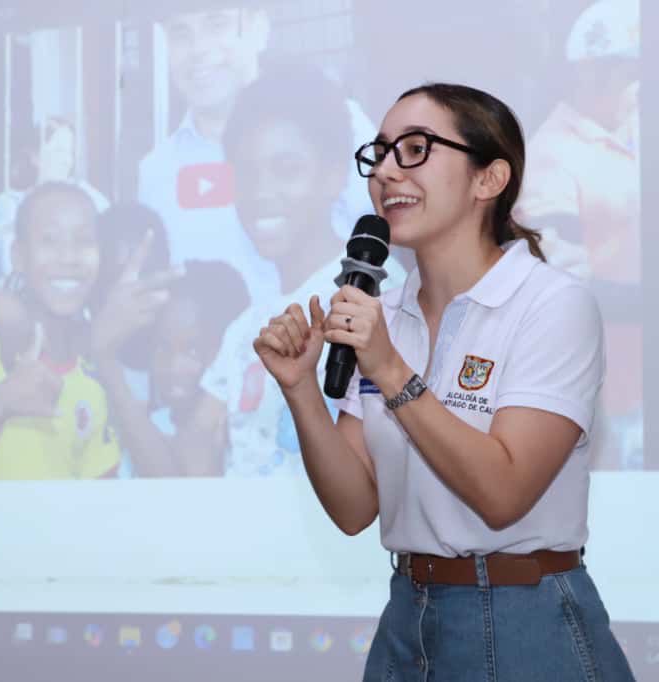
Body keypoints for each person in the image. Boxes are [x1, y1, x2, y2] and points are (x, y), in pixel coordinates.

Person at [253, 83, 633, 679]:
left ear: (489, 179)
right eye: (379, 153)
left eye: (415, 148)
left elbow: (503, 494)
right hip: (409, 613)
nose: (386, 171)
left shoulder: (550, 304)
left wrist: (390, 371)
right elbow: (354, 508)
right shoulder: (388, 313)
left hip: (522, 617)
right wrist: (301, 389)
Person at [174, 69, 404, 477]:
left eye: (287, 169)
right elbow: (195, 440)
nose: (261, 192)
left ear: (333, 174)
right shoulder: (247, 326)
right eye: (247, 172)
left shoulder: (380, 293)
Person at [138, 8, 375, 303]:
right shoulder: (156, 171)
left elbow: (388, 250)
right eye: (180, 33)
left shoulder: (336, 124)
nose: (198, 49)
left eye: (217, 23)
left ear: (259, 29)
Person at [516, 0, 641, 469]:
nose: (641, 85)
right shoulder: (552, 158)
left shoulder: (637, 131)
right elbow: (569, 286)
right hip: (611, 398)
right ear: (591, 74)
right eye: (631, 72)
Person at [0, 182, 121, 480]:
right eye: (49, 241)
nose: (69, 257)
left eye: (84, 241)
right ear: (19, 256)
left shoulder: (92, 368)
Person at [91, 259, 247, 477]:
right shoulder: (140, 428)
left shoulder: (248, 436)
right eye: (162, 347)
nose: (174, 367)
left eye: (193, 350)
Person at [0, 117, 110, 293]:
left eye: (70, 153)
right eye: (58, 151)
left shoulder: (91, 199)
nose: (66, 161)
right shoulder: (7, 205)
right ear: (35, 156)